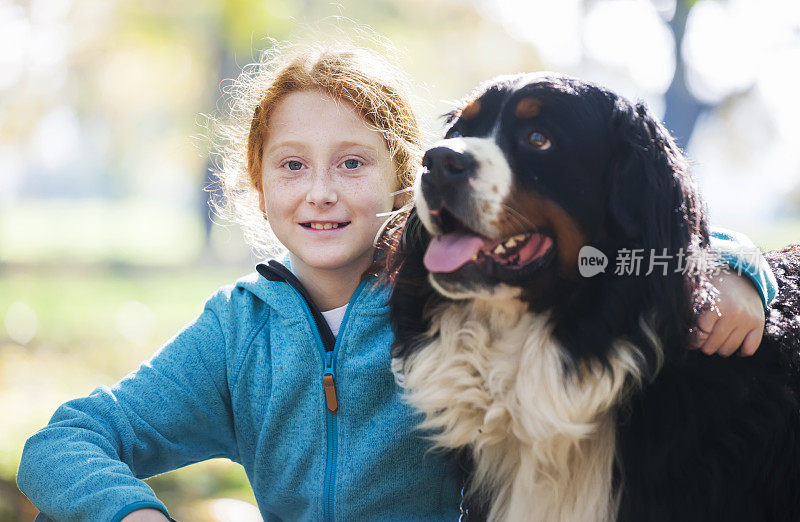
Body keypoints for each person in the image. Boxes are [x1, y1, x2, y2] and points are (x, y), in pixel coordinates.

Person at [16, 39, 777, 522]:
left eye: (352, 163)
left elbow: (642, 242)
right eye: (292, 166)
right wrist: (129, 515)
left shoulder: (446, 312)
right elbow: (64, 441)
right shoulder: (236, 332)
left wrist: (734, 270)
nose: (320, 191)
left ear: (401, 176)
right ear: (257, 183)